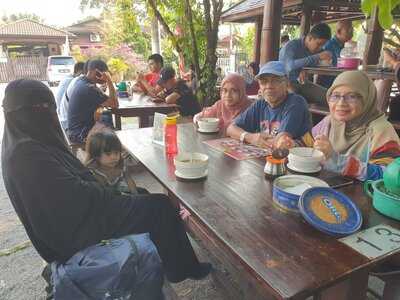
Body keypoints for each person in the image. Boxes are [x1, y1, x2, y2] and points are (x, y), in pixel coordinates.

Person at [1, 80, 212, 287]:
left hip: (79, 216)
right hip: (75, 230)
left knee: (143, 193)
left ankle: (171, 262)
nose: (48, 113)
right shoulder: (26, 154)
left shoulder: (24, 141)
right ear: (17, 112)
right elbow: (76, 196)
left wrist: (103, 187)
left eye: (49, 107)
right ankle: (182, 269)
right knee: (160, 206)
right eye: (40, 108)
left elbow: (75, 185)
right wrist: (106, 189)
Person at [312, 70, 400, 181]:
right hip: (329, 192)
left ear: (367, 99)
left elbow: (390, 176)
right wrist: (291, 143)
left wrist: (338, 161)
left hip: (363, 196)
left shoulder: (381, 130)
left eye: (352, 96)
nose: (341, 103)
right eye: (335, 96)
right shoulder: (330, 122)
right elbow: (308, 142)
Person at [226, 61, 312, 149]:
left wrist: (256, 139)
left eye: (275, 81)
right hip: (271, 158)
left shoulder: (296, 102)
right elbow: (231, 128)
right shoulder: (261, 103)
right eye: (263, 82)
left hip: (299, 159)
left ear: (286, 83)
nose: (268, 86)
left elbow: (281, 141)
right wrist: (250, 137)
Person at [279, 23, 332, 105]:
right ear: (310, 38)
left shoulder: (316, 50)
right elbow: (290, 66)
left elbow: (312, 64)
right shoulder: (292, 45)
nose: (321, 48)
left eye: (323, 45)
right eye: (319, 44)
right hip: (285, 84)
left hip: (302, 83)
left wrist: (304, 69)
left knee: (329, 97)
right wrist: (317, 57)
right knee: (296, 101)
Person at [67, 59, 118, 144]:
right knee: (111, 133)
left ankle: (112, 146)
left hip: (76, 130)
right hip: (80, 134)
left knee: (106, 116)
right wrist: (109, 80)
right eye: (105, 73)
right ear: (96, 72)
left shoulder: (82, 81)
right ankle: (111, 149)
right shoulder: (89, 88)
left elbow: (99, 109)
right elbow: (115, 104)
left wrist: (101, 107)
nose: (105, 77)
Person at [318, 20, 354, 88]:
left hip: (342, 82)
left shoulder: (346, 45)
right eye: (348, 30)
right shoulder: (328, 45)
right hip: (328, 85)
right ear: (339, 31)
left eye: (352, 30)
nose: (352, 33)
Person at [57, 61, 88, 131]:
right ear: (80, 71)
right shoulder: (75, 81)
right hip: (67, 120)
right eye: (85, 73)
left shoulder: (67, 78)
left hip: (62, 116)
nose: (85, 75)